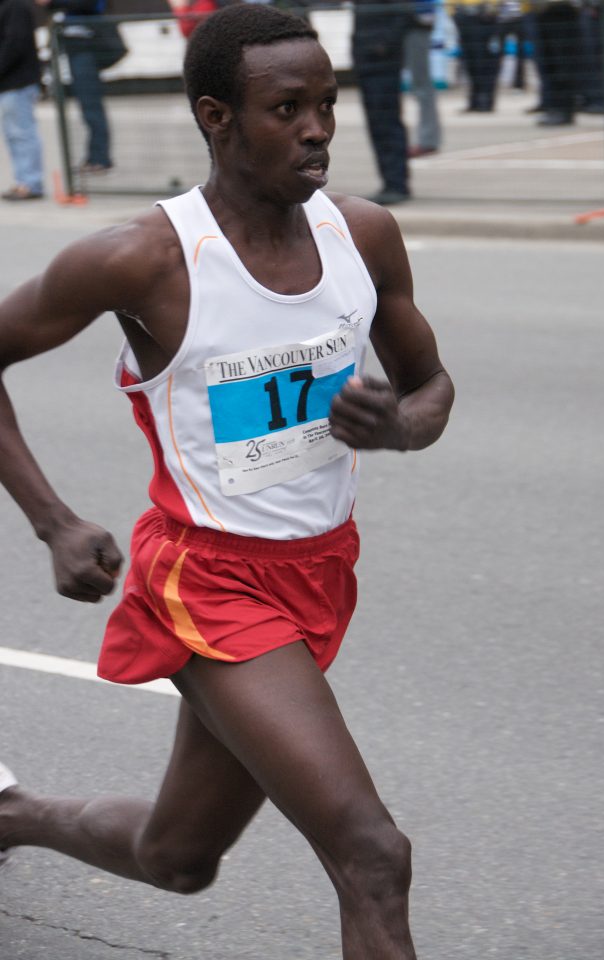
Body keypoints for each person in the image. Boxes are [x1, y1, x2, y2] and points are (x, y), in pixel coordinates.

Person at [0, 6, 454, 957]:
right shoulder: (144, 258)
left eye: (327, 103)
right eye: (287, 107)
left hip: (322, 571)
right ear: (215, 117)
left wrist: (401, 429)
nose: (319, 128)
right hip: (209, 580)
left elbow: (431, 386)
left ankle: (10, 817)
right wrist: (52, 521)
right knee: (372, 855)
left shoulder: (362, 235)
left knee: (179, 857)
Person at [36, 0, 113, 172]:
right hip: (75, 48)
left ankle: (100, 158)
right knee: (87, 108)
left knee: (91, 106)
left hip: (86, 47)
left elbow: (86, 5)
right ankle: (95, 156)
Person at [352, 0, 412, 204]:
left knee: (386, 122)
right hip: (367, 59)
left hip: (382, 60)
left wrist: (383, 45)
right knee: (377, 124)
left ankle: (396, 183)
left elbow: (404, 13)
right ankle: (391, 181)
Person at [0, 0, 45, 200]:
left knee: (21, 133)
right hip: (9, 83)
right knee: (13, 134)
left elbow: (14, 44)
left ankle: (31, 183)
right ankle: (23, 181)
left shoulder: (14, 6)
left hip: (18, 82)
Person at [403, 0, 442, 158]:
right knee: (419, 83)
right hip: (402, 18)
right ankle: (427, 139)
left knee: (421, 83)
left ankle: (428, 140)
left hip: (414, 20)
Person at [453, 0, 504, 112]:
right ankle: (474, 101)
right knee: (470, 62)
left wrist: (491, 8)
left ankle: (486, 100)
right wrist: (453, 12)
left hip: (486, 15)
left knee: (487, 62)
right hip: (463, 15)